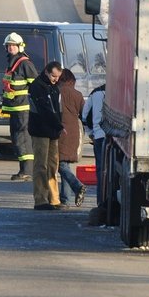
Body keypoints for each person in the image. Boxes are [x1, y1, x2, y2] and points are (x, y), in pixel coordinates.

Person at [28, 61, 64, 210]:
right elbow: (44, 110)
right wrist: (59, 125)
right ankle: (41, 199)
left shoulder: (54, 87)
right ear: (47, 72)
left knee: (52, 167)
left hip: (53, 132)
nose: (56, 79)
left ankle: (54, 199)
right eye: (54, 76)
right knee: (41, 166)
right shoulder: (37, 87)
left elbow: (57, 109)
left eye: (58, 77)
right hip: (40, 131)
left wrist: (58, 126)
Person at [2, 32, 38, 181]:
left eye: (13, 45)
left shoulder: (25, 63)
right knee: (17, 139)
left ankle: (27, 171)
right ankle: (24, 169)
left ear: (20, 46)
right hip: (14, 109)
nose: (11, 47)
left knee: (22, 138)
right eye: (9, 45)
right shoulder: (12, 62)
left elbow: (35, 85)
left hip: (22, 109)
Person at [56, 69, 87, 207]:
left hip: (60, 131)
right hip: (74, 131)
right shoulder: (78, 95)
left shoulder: (56, 92)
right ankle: (65, 199)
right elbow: (84, 114)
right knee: (65, 164)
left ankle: (77, 185)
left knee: (58, 164)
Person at [83, 84, 107, 224]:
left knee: (100, 171)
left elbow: (85, 115)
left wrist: (91, 133)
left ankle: (101, 202)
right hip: (119, 137)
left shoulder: (95, 93)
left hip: (99, 136)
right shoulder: (121, 89)